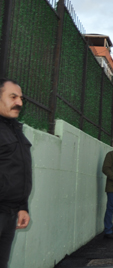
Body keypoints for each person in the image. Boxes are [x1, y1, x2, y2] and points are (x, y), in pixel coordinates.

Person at [0, 79, 32, 268]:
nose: (19, 102)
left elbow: (20, 172)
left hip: (10, 213)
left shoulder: (16, 130)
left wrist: (22, 206)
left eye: (20, 98)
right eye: (13, 97)